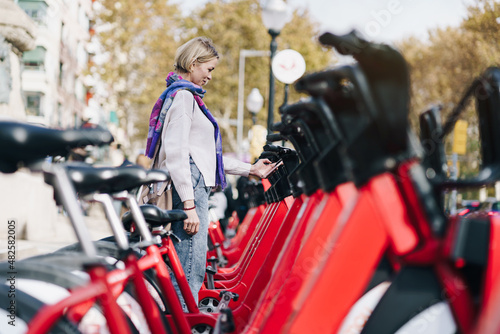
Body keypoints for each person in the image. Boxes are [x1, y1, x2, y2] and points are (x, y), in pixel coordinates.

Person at [144, 36, 275, 309]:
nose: (210, 77)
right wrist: (189, 205)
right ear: (194, 63)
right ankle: (182, 322)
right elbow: (178, 154)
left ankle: (179, 318)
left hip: (192, 183)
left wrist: (250, 169)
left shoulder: (182, 96)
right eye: (209, 69)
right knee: (190, 264)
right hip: (190, 188)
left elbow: (204, 157)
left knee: (188, 263)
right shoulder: (183, 98)